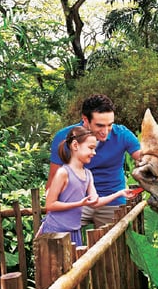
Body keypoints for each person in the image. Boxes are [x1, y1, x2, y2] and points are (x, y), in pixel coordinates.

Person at [46, 94, 141, 228]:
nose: (105, 131)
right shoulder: (64, 137)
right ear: (85, 119)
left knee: (114, 246)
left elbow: (144, 159)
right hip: (76, 202)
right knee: (57, 240)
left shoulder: (122, 135)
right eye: (100, 125)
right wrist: (51, 213)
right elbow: (52, 179)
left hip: (112, 202)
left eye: (110, 125)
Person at [40, 126, 136, 245]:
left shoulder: (88, 174)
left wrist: (120, 193)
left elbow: (95, 202)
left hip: (74, 231)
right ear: (75, 145)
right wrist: (80, 204)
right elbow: (50, 204)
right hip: (55, 231)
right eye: (90, 148)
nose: (94, 153)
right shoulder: (63, 173)